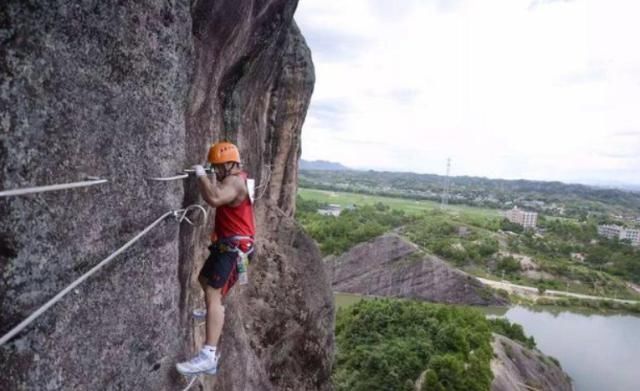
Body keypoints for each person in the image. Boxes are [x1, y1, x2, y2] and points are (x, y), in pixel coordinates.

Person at [176, 141, 255, 376]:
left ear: (231, 164)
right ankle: (213, 311)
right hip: (229, 245)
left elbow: (215, 198)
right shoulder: (237, 176)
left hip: (235, 248)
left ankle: (208, 355)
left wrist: (201, 176)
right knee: (204, 280)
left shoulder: (234, 181)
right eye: (215, 168)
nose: (217, 172)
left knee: (213, 293)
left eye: (219, 167)